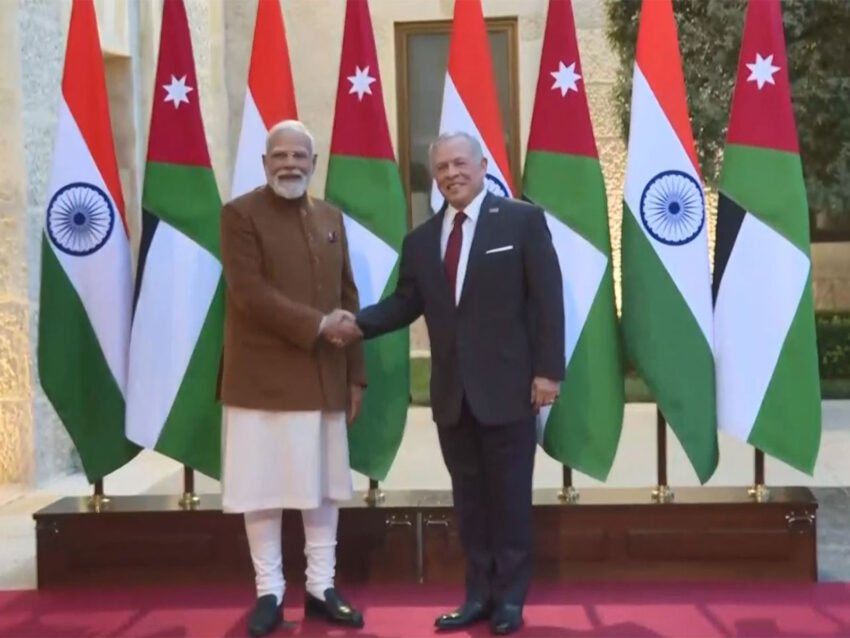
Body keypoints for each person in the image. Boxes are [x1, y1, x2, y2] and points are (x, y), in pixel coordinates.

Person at [347, 131, 565, 635]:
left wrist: (548, 371)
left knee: (509, 501)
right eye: (442, 167)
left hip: (510, 391)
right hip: (452, 397)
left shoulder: (521, 221)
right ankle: (478, 596)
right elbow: (405, 303)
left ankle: (510, 600)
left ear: (482, 165)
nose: (451, 174)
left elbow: (547, 300)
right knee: (469, 504)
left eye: (460, 163)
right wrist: (355, 324)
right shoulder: (422, 240)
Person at [218, 119, 366, 637]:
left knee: (323, 488)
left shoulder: (330, 217)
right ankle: (270, 592)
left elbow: (348, 298)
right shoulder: (239, 215)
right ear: (264, 163)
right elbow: (249, 293)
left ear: (314, 163)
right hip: (260, 381)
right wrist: (319, 325)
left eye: (299, 156)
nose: (289, 164)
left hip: (325, 377)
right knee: (262, 489)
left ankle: (322, 587)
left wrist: (356, 376)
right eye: (279, 155)